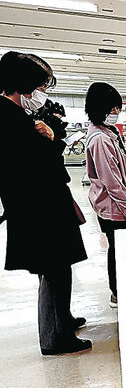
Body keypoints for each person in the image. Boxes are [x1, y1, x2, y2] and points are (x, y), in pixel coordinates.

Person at [0, 51, 90, 355]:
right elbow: (36, 164)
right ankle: (55, 337)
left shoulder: (17, 115)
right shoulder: (7, 118)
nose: (43, 94)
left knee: (58, 269)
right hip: (38, 208)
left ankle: (62, 319)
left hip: (41, 205)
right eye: (41, 87)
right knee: (53, 270)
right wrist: (53, 139)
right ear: (22, 86)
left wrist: (52, 133)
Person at [85, 82, 126, 307]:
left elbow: (117, 166)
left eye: (117, 108)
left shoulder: (108, 132)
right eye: (112, 108)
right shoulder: (100, 139)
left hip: (115, 206)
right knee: (117, 251)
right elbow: (111, 182)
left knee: (119, 248)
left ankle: (119, 290)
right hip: (115, 208)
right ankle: (117, 293)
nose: (116, 113)